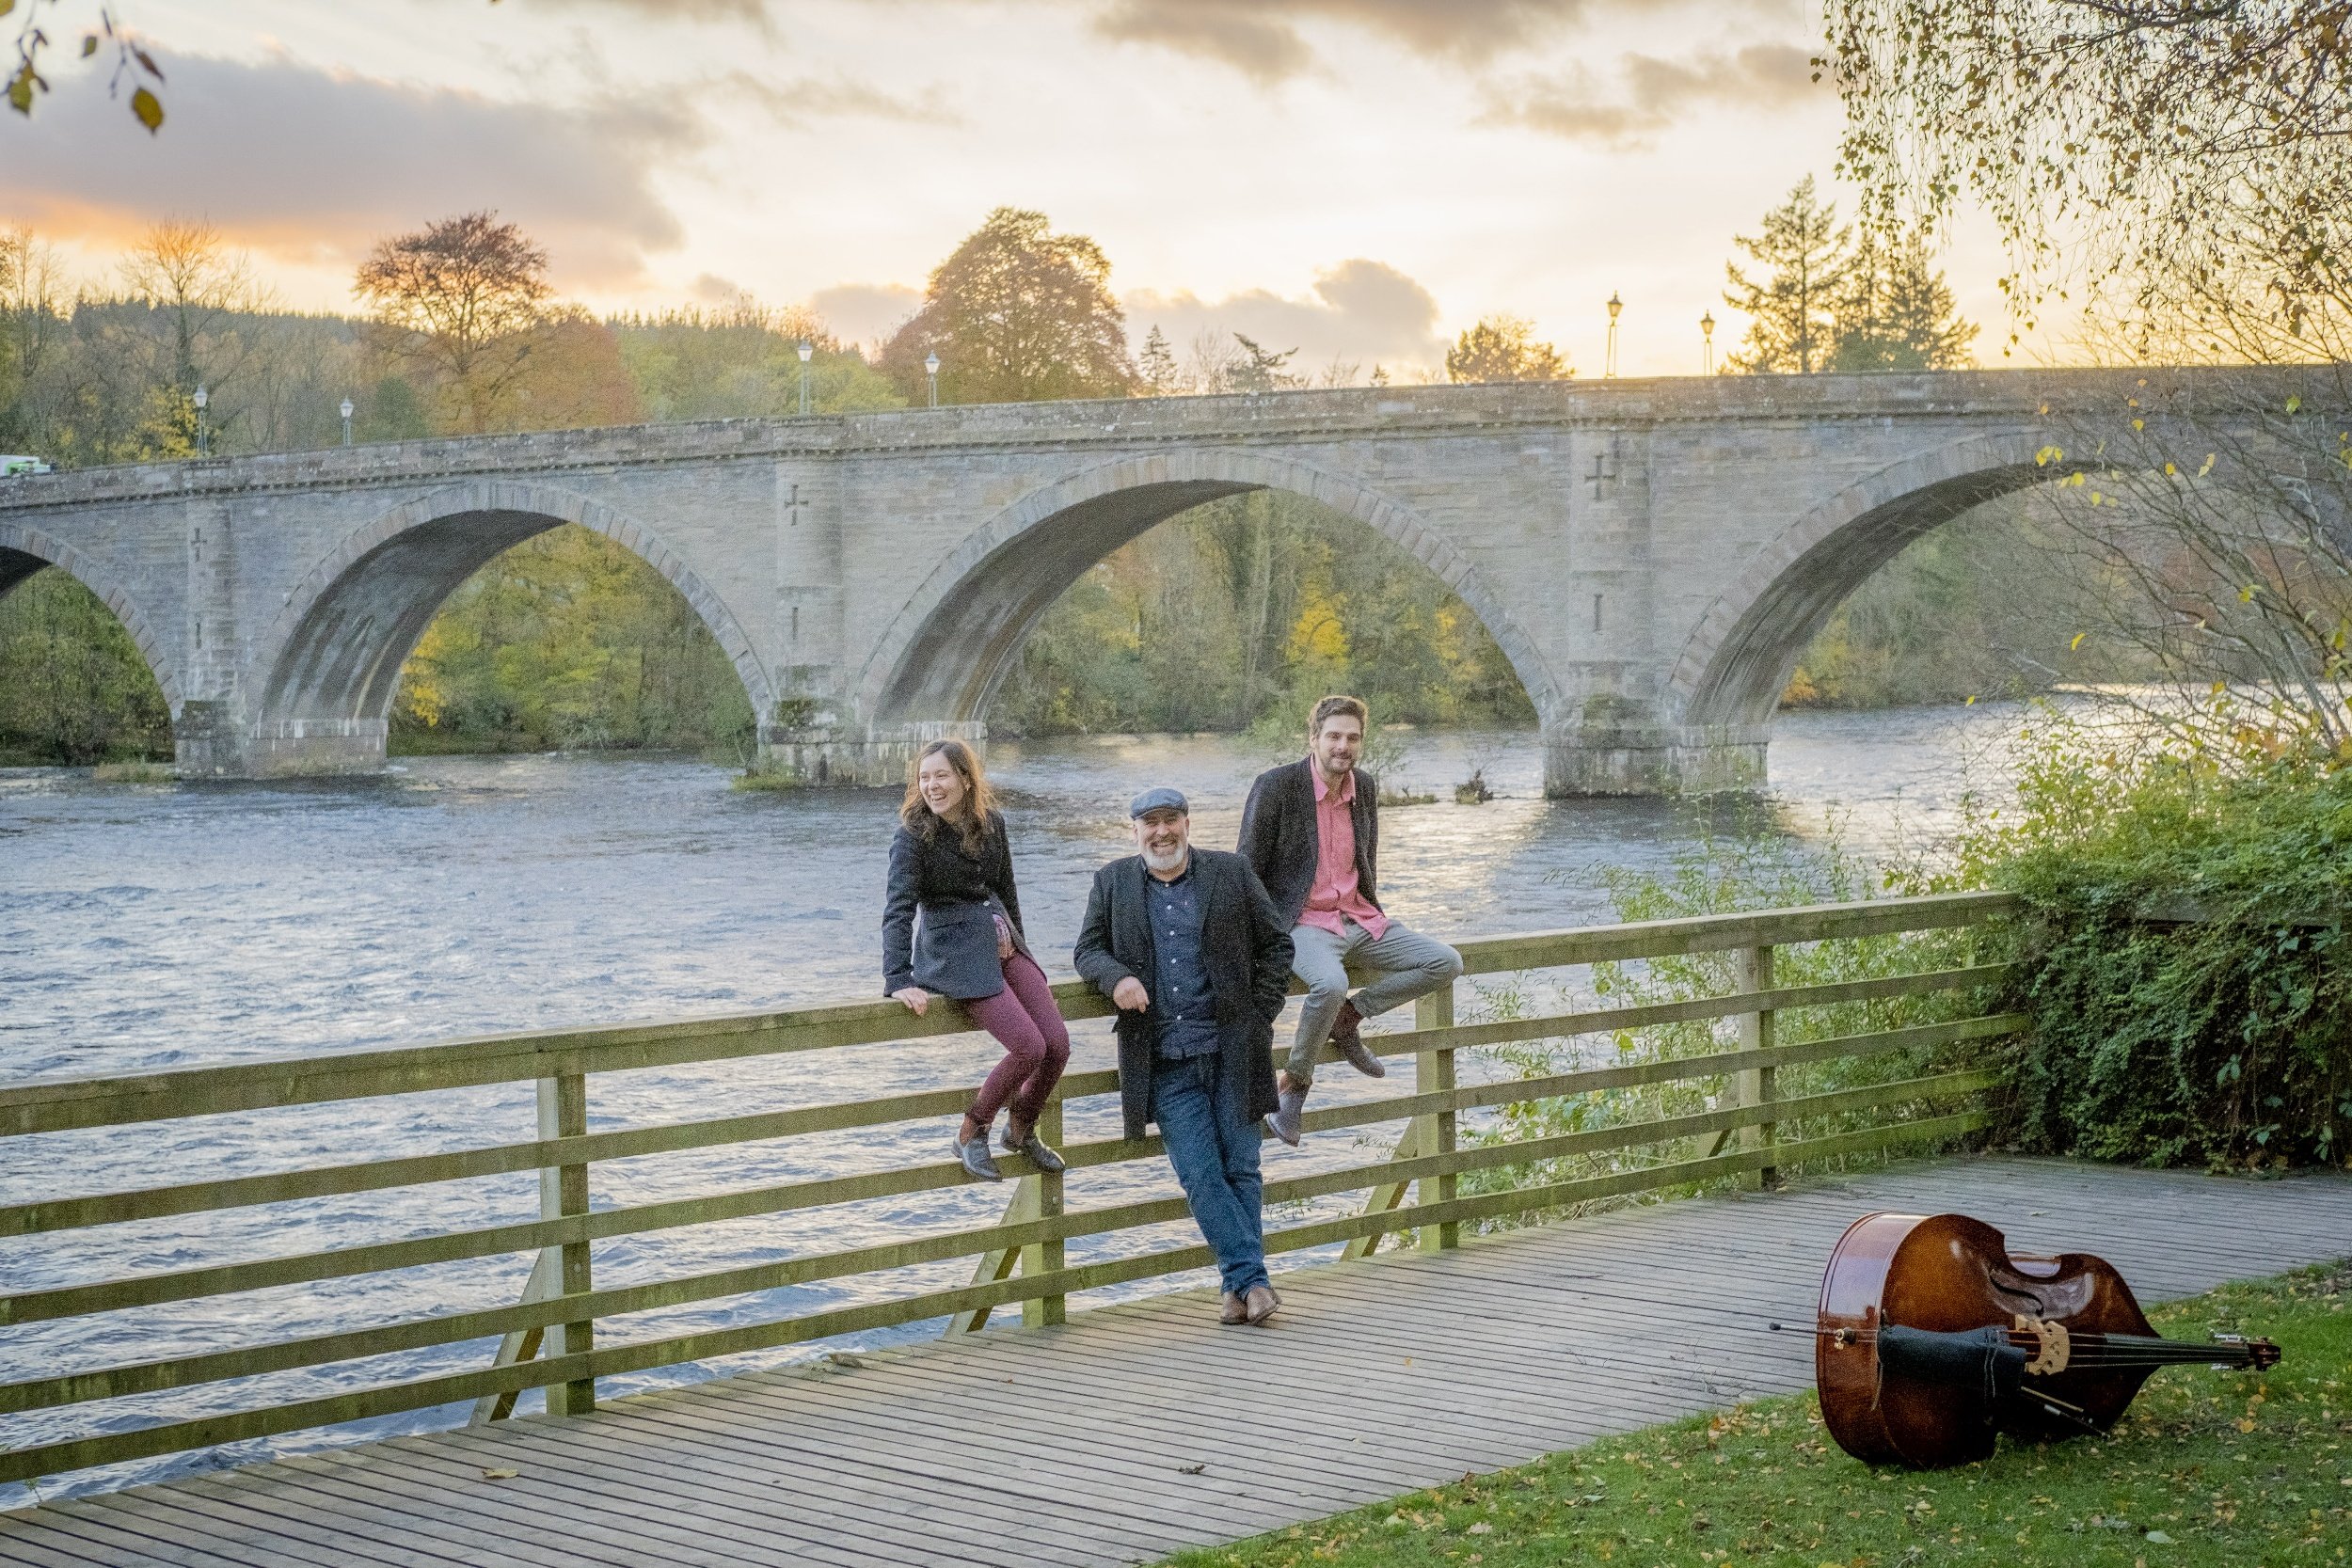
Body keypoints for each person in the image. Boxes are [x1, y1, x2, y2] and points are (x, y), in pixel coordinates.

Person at [1073, 787, 1294, 1326]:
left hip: (1233, 1052)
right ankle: (1253, 1279)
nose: (1161, 832)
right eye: (1150, 823)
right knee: (1199, 1172)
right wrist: (1117, 977)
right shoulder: (1113, 882)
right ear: (1135, 831)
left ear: (1188, 824)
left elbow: (1277, 947)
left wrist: (1257, 1015)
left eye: (1171, 820)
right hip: (1165, 1058)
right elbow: (1087, 951)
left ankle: (1236, 1287)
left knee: (1242, 1167)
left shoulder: (1232, 873)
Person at [1239, 694, 1464, 1146]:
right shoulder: (1276, 787)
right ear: (1314, 739)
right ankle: (1294, 1088)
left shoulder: (1364, 786)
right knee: (1329, 983)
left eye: (1353, 737)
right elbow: (1245, 871)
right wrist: (1257, 941)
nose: (1343, 746)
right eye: (1334, 736)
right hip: (1301, 922)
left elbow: (1367, 857)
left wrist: (1370, 908)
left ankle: (1349, 1018)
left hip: (1359, 916)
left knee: (1446, 962)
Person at [882, 738, 1070, 1181]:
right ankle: (972, 1130)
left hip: (1003, 944)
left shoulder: (992, 824)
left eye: (941, 775)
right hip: (953, 957)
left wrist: (1024, 956)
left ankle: (1021, 1128)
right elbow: (898, 908)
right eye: (924, 777)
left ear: (965, 780)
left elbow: (1006, 893)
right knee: (1028, 1047)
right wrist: (897, 977)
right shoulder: (912, 835)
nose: (931, 785)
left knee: (1057, 1045)